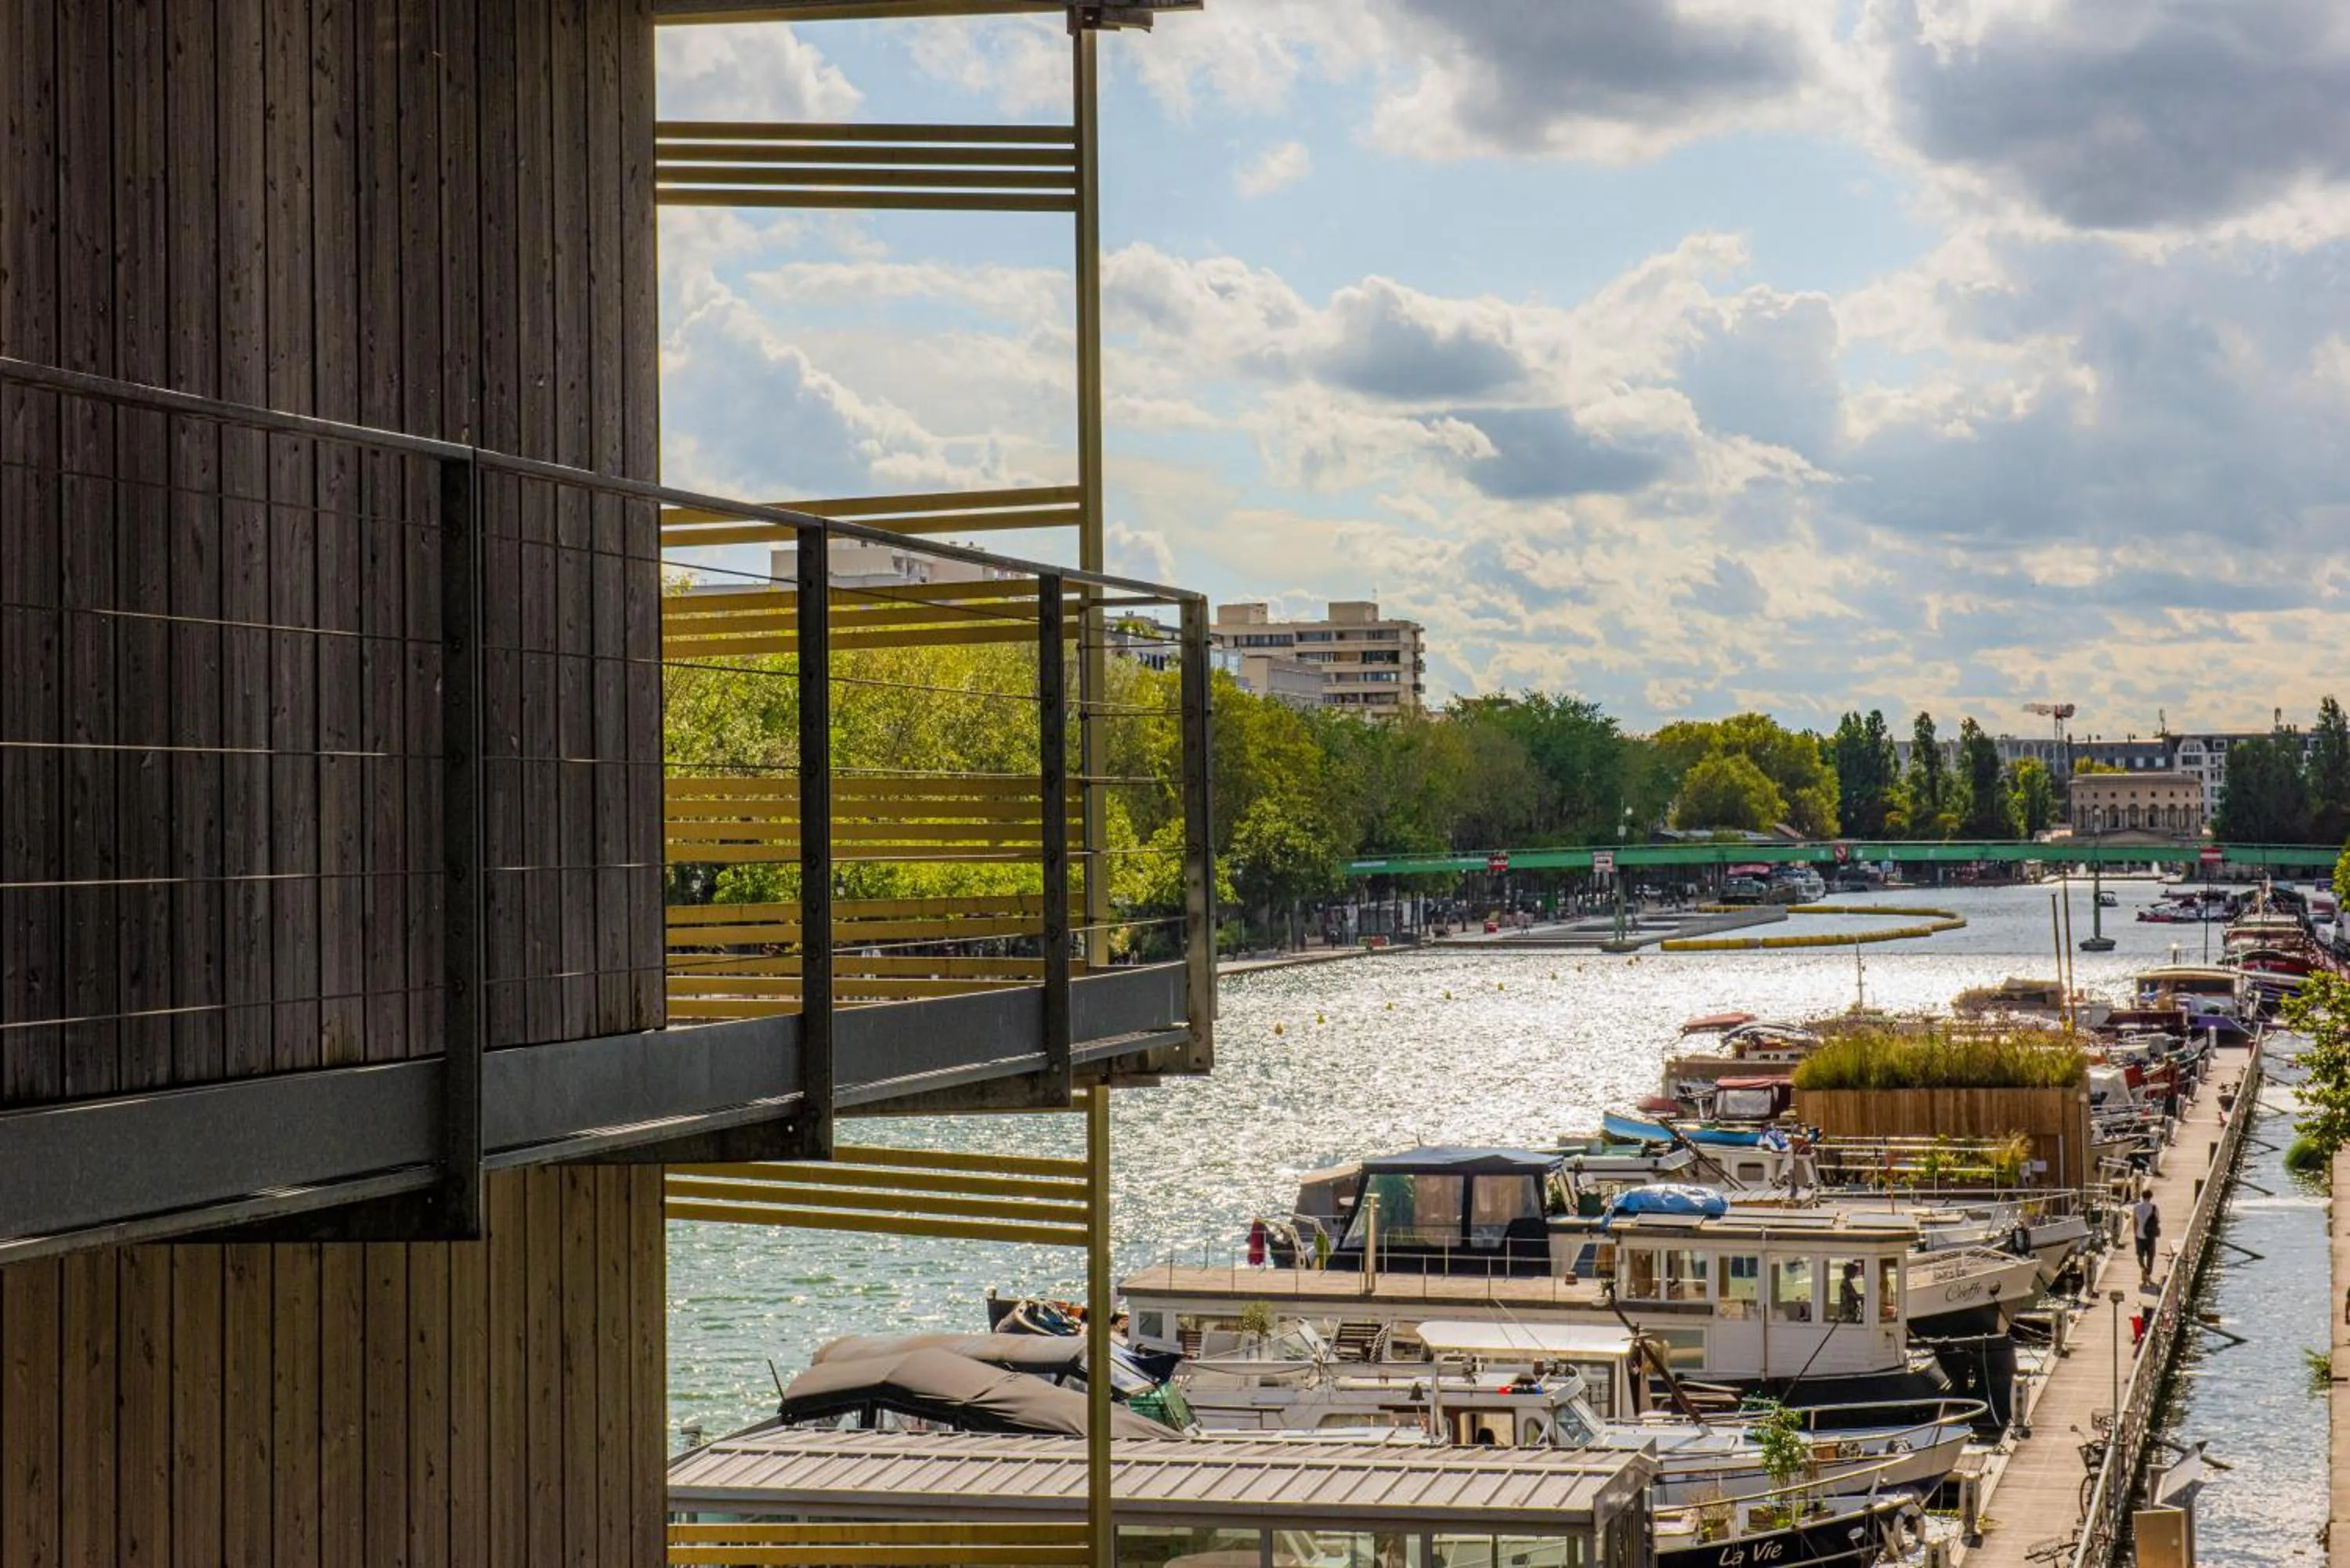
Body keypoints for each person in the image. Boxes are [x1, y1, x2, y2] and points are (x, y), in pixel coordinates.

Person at [2132, 1188, 2161, 1282]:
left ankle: (2143, 1269)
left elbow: (2135, 1222)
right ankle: (2148, 1272)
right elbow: (2157, 1221)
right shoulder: (2154, 1208)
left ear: (2142, 1196)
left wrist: (2135, 1233)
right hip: (2150, 1236)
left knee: (2140, 1256)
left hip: (2139, 1235)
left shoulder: (2136, 1207)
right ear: (2151, 1197)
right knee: (2150, 1256)